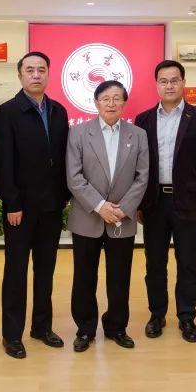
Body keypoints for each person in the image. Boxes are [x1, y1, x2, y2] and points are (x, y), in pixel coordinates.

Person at [0, 51, 70, 359]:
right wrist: (11, 202)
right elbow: (4, 162)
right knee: (16, 272)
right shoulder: (7, 112)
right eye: (30, 70)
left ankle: (41, 327)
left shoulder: (58, 111)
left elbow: (63, 158)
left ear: (48, 74)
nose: (36, 74)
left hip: (51, 206)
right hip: (20, 209)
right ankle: (12, 334)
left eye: (41, 70)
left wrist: (63, 197)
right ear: (20, 75)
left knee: (46, 270)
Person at [135, 59, 196, 343]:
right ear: (156, 85)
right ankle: (156, 314)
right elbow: (138, 165)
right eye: (163, 81)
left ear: (184, 83)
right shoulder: (144, 119)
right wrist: (138, 203)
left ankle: (186, 317)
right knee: (154, 263)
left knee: (187, 263)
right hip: (154, 202)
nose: (169, 85)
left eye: (174, 80)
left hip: (188, 202)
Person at [66, 81, 149, 352]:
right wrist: (100, 205)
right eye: (105, 98)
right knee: (84, 277)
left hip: (122, 218)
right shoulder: (78, 133)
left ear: (124, 103)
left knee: (119, 277)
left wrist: (124, 208)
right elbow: (74, 177)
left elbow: (142, 176)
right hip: (87, 216)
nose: (111, 103)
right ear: (96, 102)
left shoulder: (138, 135)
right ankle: (85, 329)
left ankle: (116, 327)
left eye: (116, 98)